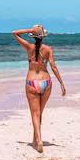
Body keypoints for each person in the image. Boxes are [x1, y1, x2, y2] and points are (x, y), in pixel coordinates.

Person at [12, 24, 65, 153]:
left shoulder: (29, 47)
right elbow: (53, 67)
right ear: (43, 36)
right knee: (39, 113)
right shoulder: (48, 49)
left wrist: (30, 30)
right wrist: (61, 83)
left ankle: (38, 140)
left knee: (34, 114)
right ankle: (35, 139)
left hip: (32, 83)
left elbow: (14, 33)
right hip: (46, 82)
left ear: (34, 36)